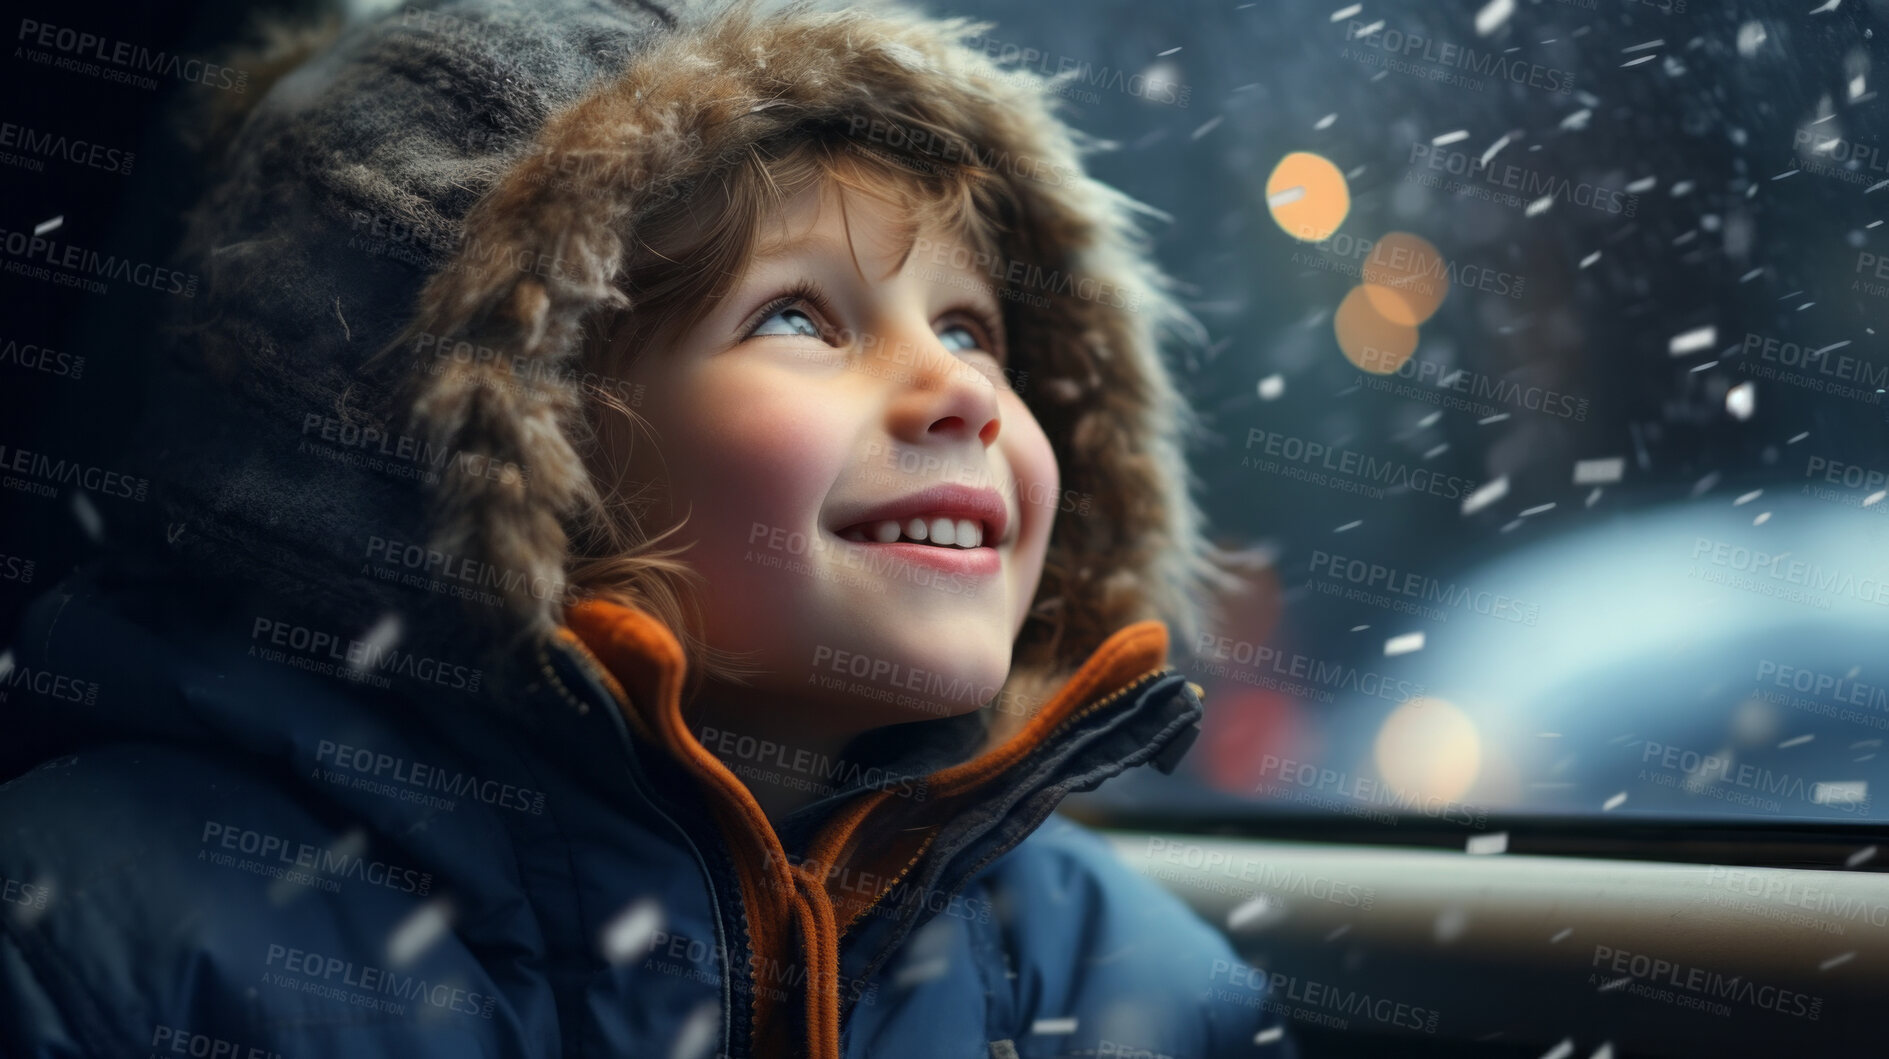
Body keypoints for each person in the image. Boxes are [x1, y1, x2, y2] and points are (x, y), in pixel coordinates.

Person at [0, 0, 1294, 1056]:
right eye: (799, 316)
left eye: (971, 328)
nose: (963, 388)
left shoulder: (1113, 976)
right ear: (507, 439)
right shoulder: (116, 942)